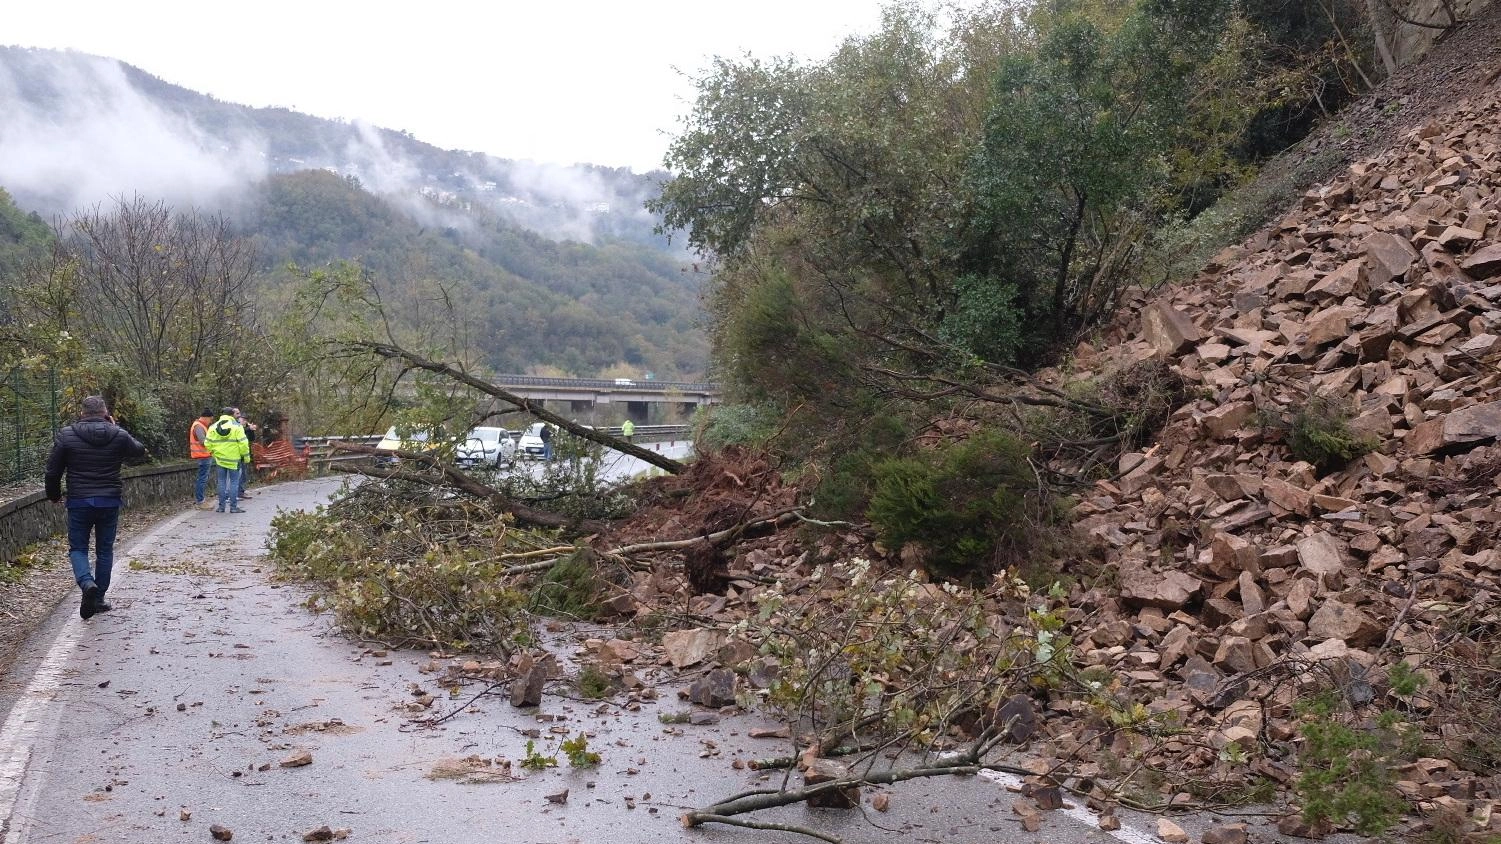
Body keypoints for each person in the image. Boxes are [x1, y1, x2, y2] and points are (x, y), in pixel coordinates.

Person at [44, 396, 147, 619]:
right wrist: (115, 427)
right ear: (105, 412)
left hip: (79, 500)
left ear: (82, 413)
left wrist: (53, 495)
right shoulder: (117, 434)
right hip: (109, 500)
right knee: (104, 550)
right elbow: (140, 451)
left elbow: (53, 471)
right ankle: (98, 597)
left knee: (78, 548)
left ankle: (86, 583)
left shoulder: (67, 434)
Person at [204, 408, 249, 514]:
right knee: (234, 483)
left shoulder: (213, 427)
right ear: (232, 415)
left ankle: (221, 507)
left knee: (221, 482)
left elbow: (207, 443)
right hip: (234, 459)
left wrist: (214, 453)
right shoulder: (237, 426)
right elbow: (243, 443)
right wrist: (246, 457)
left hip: (220, 459)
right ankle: (233, 507)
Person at [189, 408, 215, 509]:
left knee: (202, 479)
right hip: (203, 457)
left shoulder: (199, 425)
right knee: (202, 479)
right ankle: (201, 501)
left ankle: (201, 500)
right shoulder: (199, 426)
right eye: (210, 419)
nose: (211, 421)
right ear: (206, 417)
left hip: (203, 457)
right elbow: (203, 441)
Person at [234, 408, 258, 500]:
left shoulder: (245, 428)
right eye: (243, 419)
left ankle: (241, 491)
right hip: (237, 454)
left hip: (244, 454)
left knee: (243, 474)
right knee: (238, 475)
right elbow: (239, 433)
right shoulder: (236, 427)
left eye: (245, 420)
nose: (244, 421)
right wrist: (248, 428)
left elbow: (251, 439)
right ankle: (237, 492)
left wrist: (251, 430)